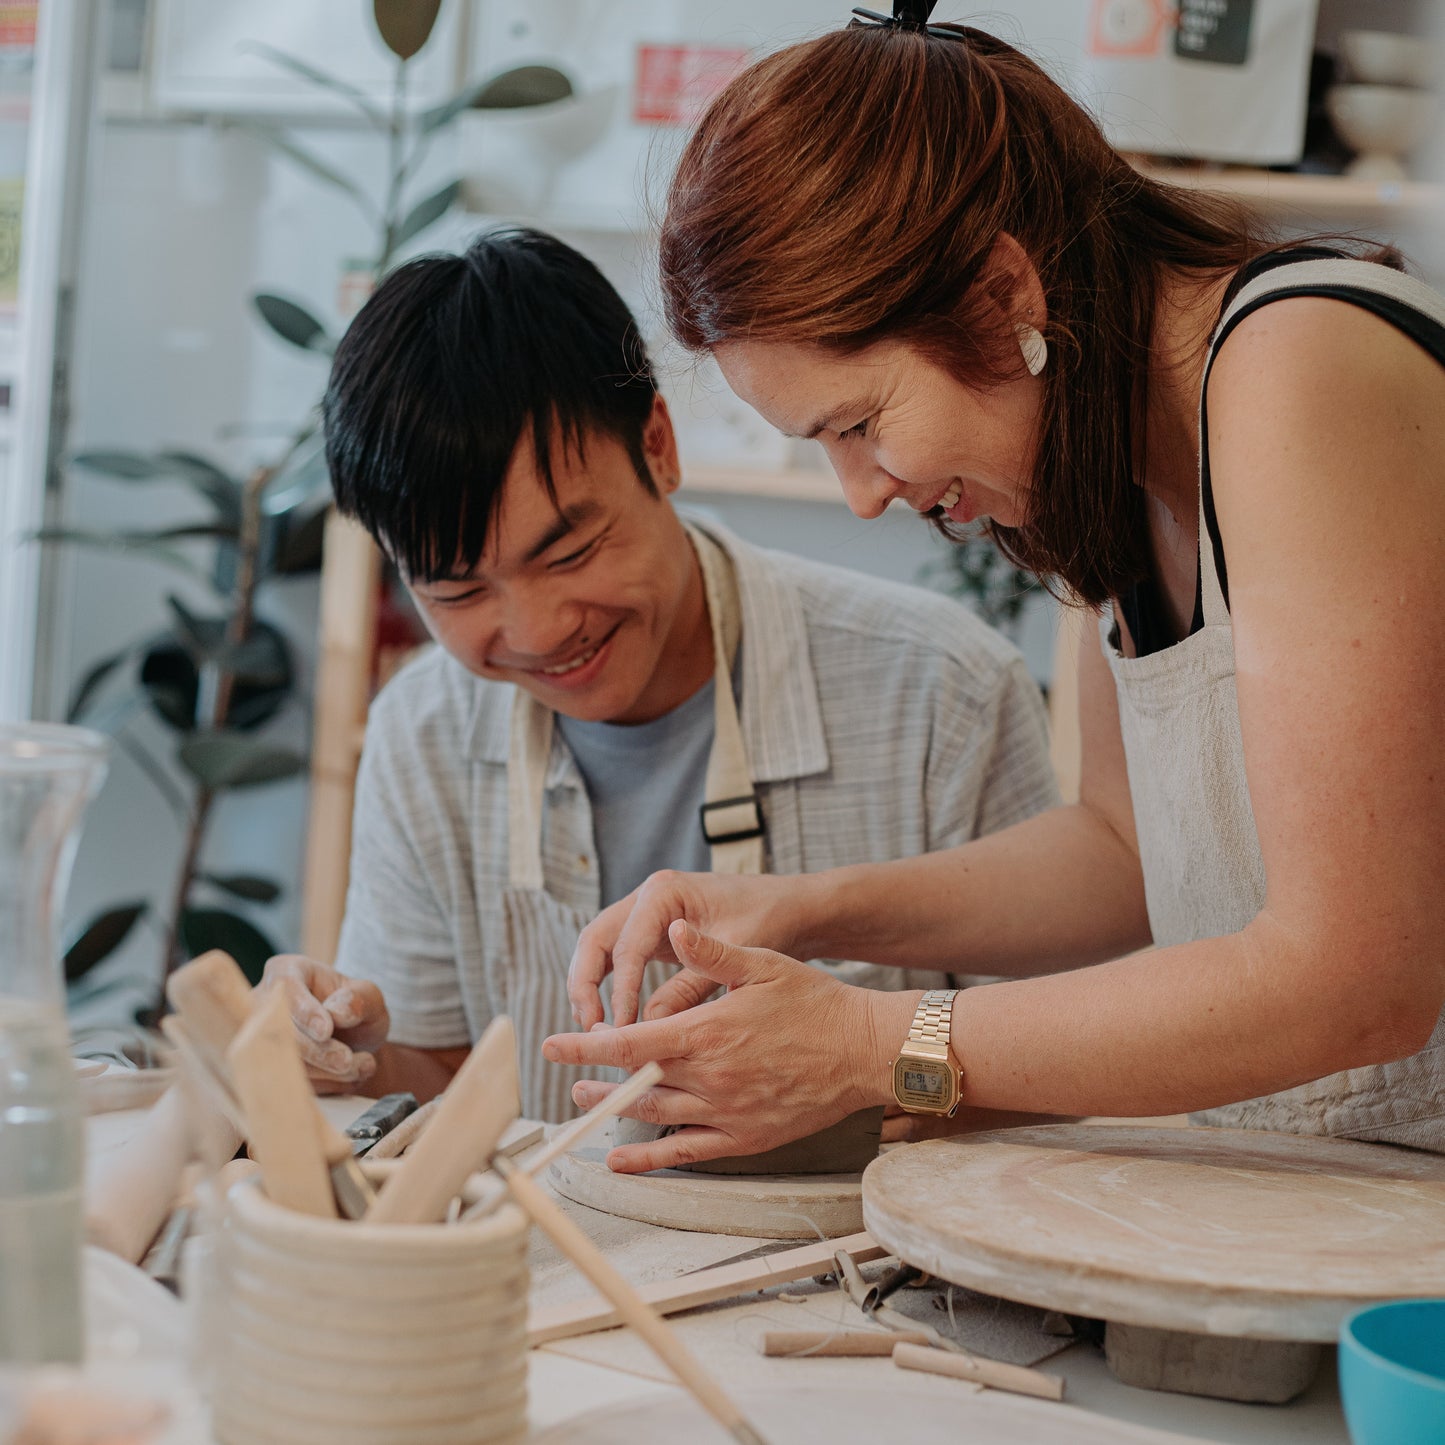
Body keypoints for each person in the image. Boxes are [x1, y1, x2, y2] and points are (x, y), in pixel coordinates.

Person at [550, 5, 1445, 1172]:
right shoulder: (1105, 445)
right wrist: (797, 906)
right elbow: (1121, 855)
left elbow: (1354, 977)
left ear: (1000, 295)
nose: (861, 493)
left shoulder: (1291, 363)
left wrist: (865, 1042)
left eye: (858, 424)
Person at [258, 226, 1059, 1120]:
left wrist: (864, 1062)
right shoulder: (421, 730)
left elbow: (1059, 1078)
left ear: (658, 445)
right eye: (458, 590)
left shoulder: (944, 692)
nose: (539, 631)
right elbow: (448, 1075)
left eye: (570, 552)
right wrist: (353, 1058)